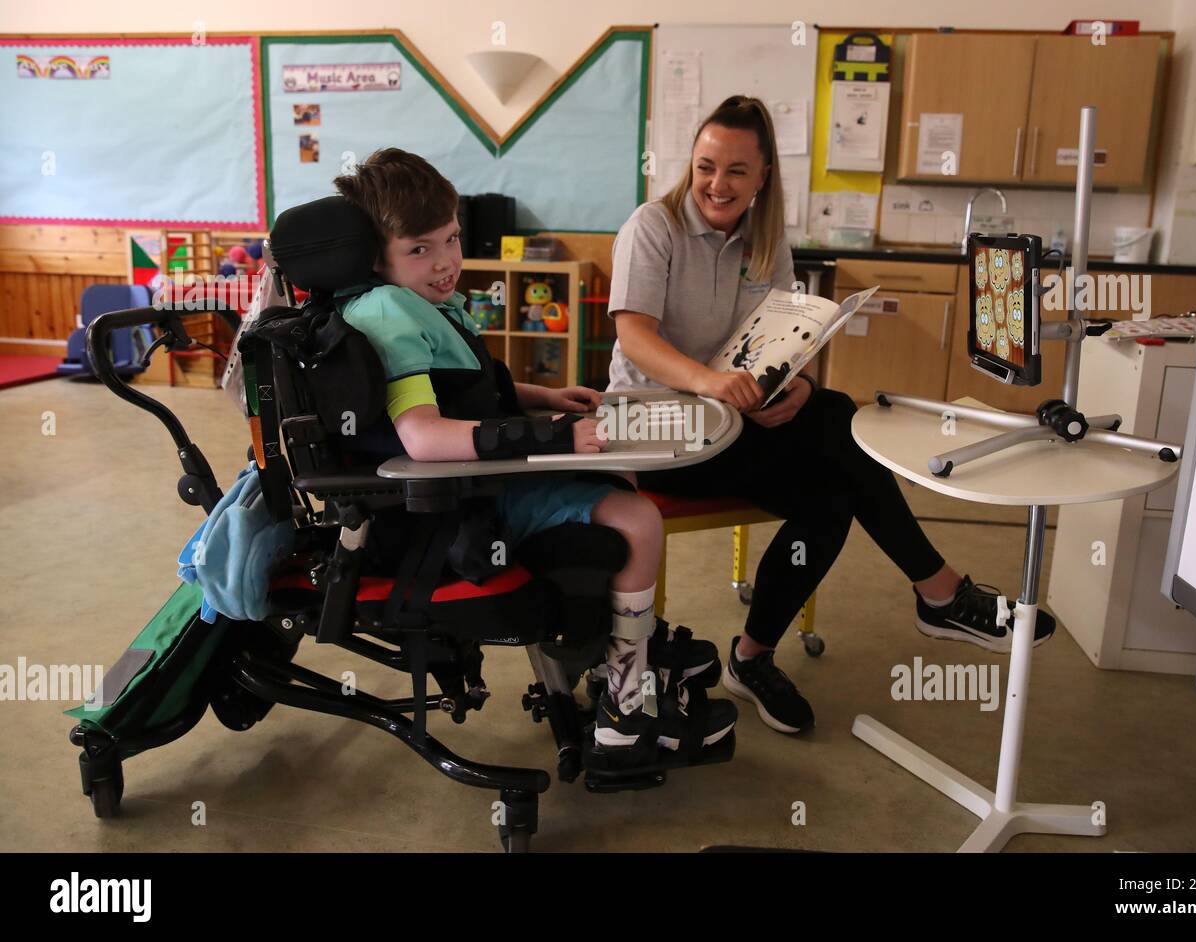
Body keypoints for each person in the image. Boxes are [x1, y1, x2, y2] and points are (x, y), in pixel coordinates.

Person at [606, 96, 1054, 735]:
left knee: (832, 484)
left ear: (763, 177)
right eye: (706, 165)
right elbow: (634, 336)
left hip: (726, 426)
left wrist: (795, 387)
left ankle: (752, 657)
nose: (717, 184)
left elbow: (784, 341)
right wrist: (715, 384)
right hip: (652, 432)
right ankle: (939, 591)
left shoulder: (766, 243)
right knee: (842, 422)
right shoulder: (654, 226)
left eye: (736, 170)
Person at [333, 148, 735, 764]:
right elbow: (423, 435)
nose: (445, 262)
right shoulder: (388, 315)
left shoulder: (413, 301)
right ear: (376, 254)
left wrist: (542, 396)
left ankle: (624, 650)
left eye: (451, 239)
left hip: (474, 481)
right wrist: (550, 435)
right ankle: (625, 705)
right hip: (448, 506)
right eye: (420, 249)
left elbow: (458, 388)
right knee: (639, 519)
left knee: (619, 467)